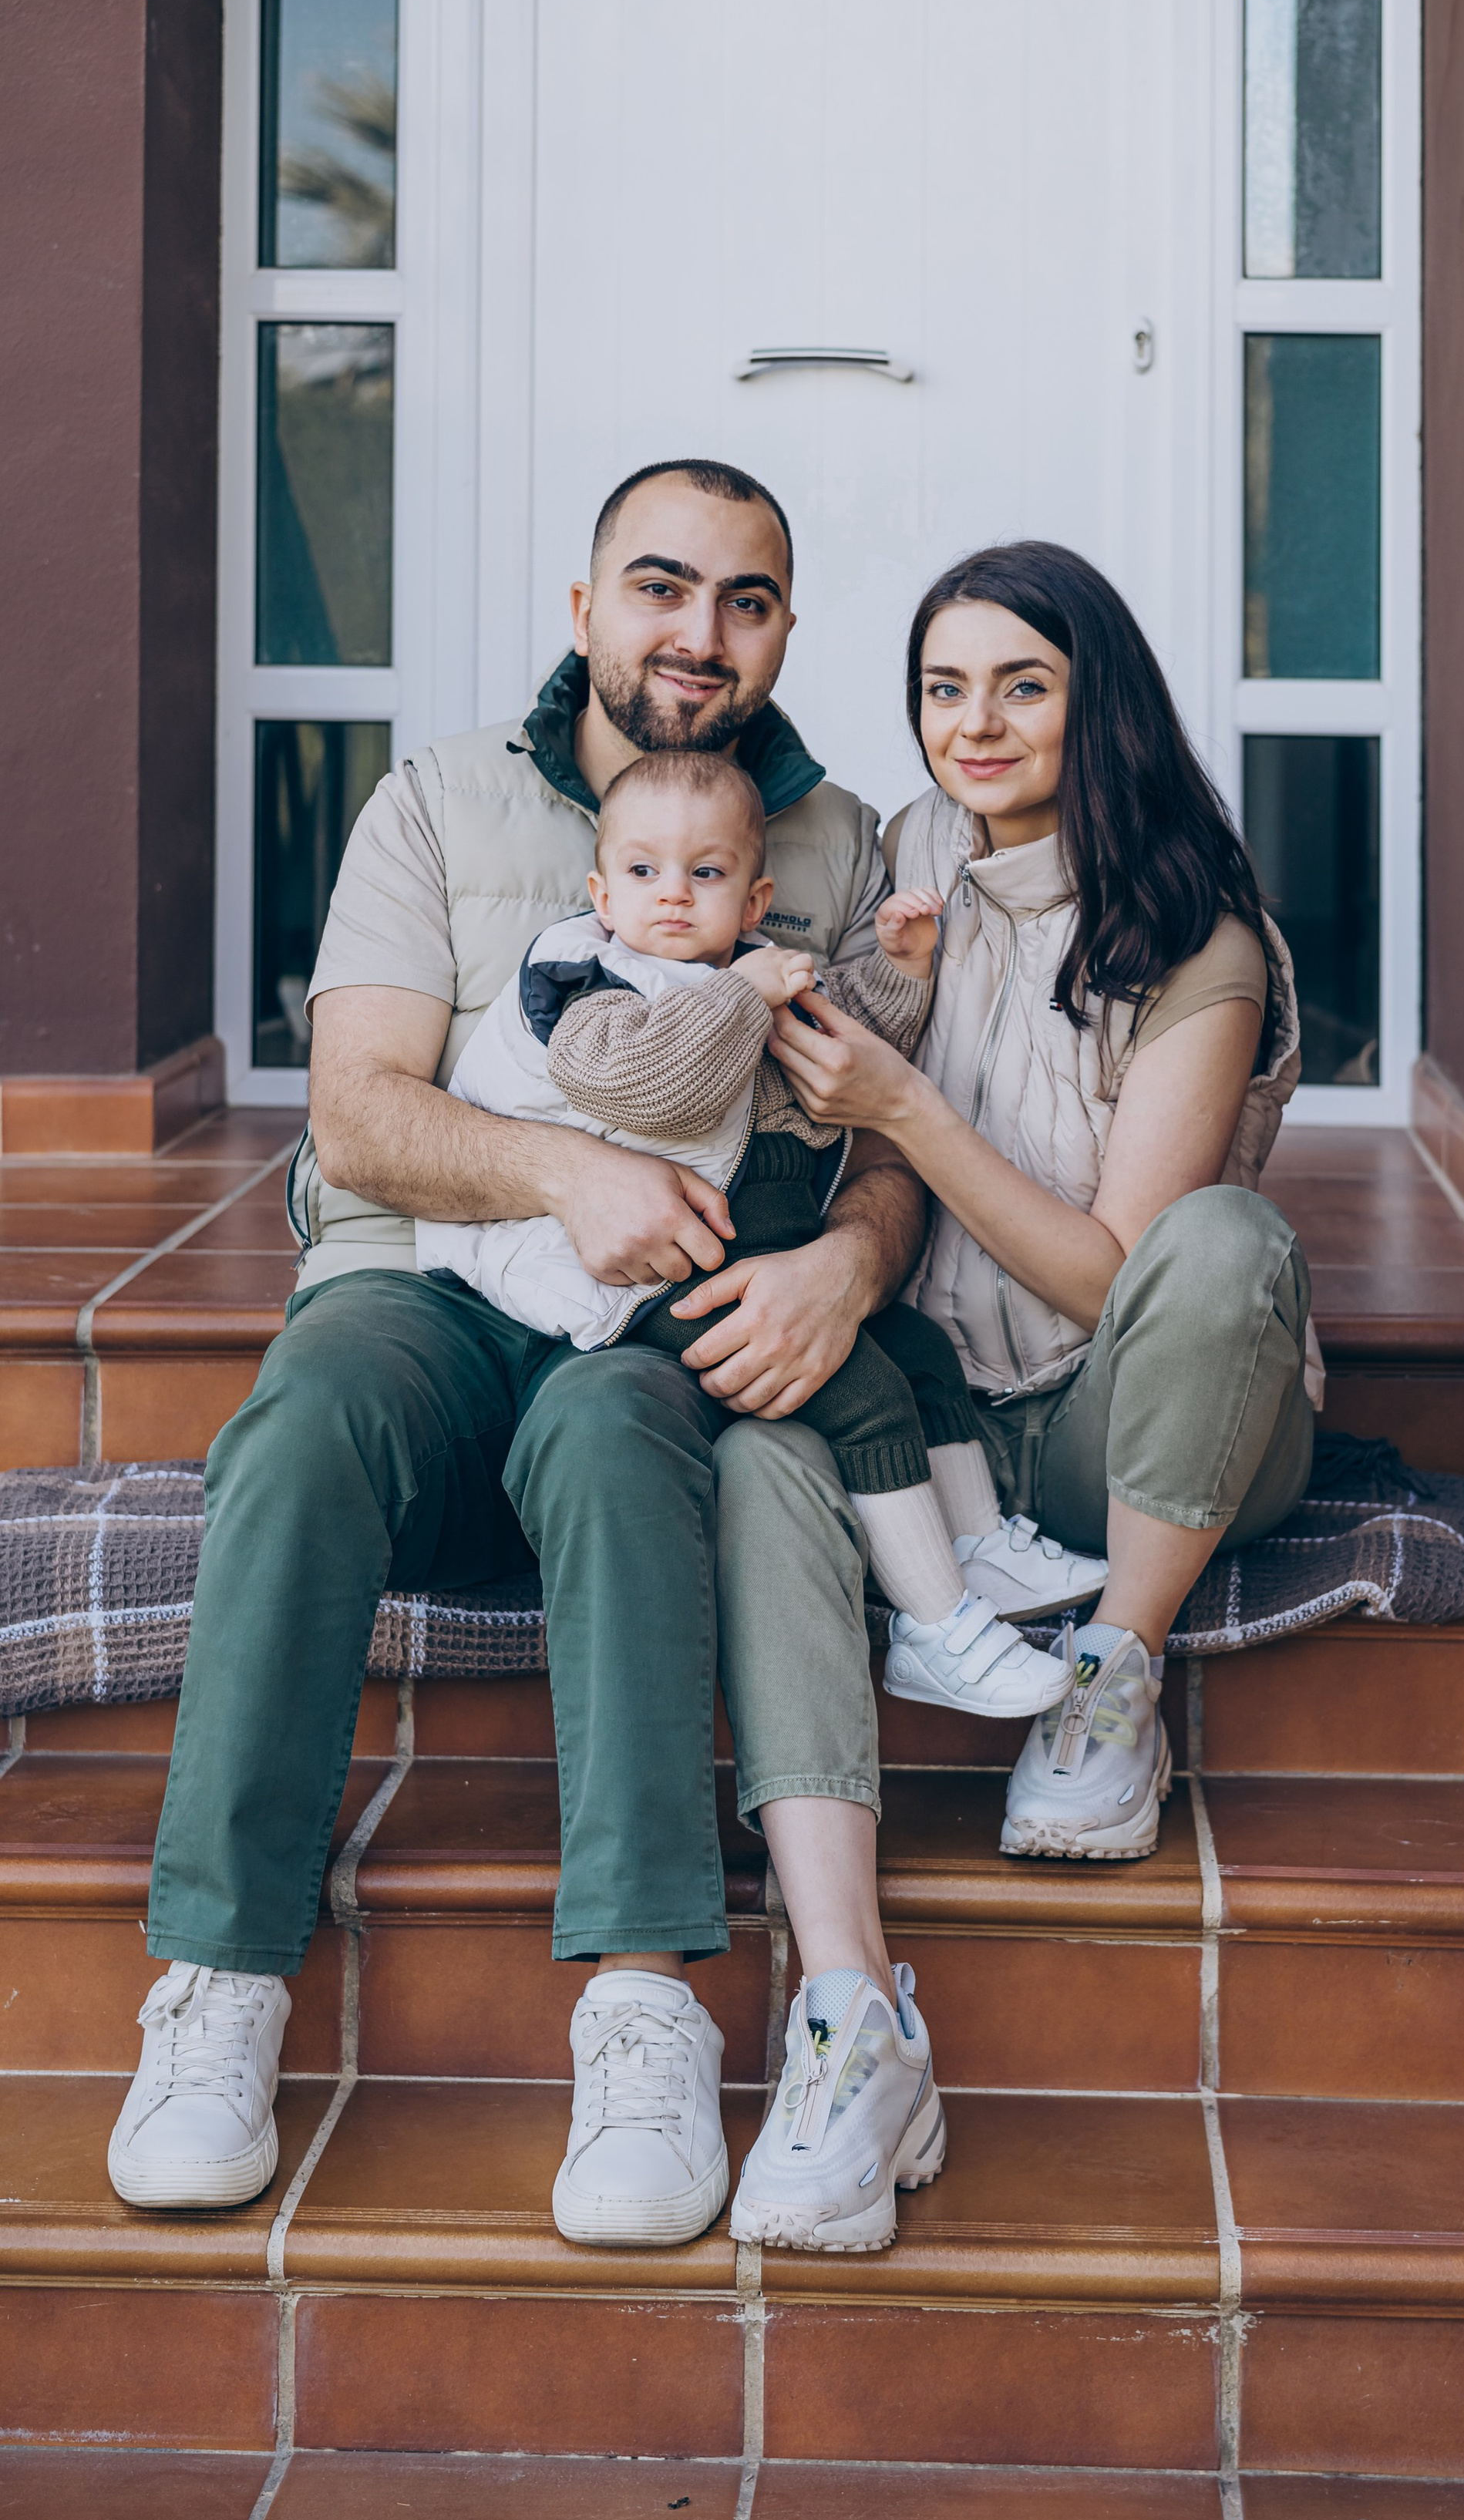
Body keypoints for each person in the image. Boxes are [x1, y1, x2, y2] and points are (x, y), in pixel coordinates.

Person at [109, 460, 1078, 2258]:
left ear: (786, 631)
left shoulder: (847, 843)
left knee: (631, 1442)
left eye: (745, 600)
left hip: (655, 1331)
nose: (696, 633)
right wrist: (572, 1166)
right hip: (435, 1295)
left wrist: (851, 1270)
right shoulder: (438, 800)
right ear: (585, 609)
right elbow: (357, 1111)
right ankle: (220, 1982)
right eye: (658, 586)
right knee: (304, 1415)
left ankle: (640, 2004)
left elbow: (887, 1126)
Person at [751, 539, 1314, 1875]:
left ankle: (1116, 1679)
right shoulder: (915, 854)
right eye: (944, 690)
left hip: (1124, 1424)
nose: (975, 727)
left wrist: (902, 1106)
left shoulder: (1198, 940)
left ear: (1098, 701)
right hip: (943, 1422)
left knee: (1226, 1241)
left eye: (1023, 687)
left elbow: (1115, 1280)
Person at [415, 745, 1086, 1713]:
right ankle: (933, 1630)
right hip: (655, 1273)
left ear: (755, 897)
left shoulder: (742, 975)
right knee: (857, 1392)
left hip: (763, 1250)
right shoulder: (586, 981)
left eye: (707, 873)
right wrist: (747, 992)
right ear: (602, 892)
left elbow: (847, 1034)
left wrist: (898, 970)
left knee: (913, 1346)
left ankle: (977, 1551)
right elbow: (654, 1088)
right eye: (644, 872)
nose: (674, 897)